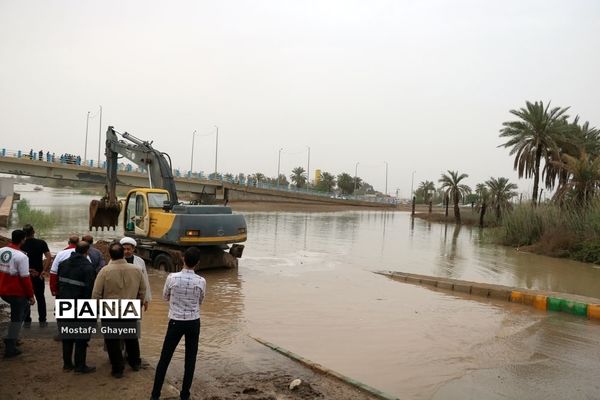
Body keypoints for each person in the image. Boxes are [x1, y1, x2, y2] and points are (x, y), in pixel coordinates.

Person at [151, 247, 206, 400]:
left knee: (165, 358)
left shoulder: (172, 278)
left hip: (176, 321)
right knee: (190, 359)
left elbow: (165, 297)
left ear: (183, 259)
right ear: (198, 263)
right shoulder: (201, 281)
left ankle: (155, 395)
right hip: (193, 322)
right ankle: (185, 395)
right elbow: (200, 301)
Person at [92, 242, 146, 378]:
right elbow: (142, 291)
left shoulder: (104, 271)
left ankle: (118, 369)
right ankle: (135, 363)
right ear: (123, 253)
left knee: (112, 340)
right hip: (130, 307)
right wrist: (138, 304)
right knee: (131, 337)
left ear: (110, 255)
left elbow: (96, 294)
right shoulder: (136, 270)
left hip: (110, 309)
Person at [56, 242, 96, 373]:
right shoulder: (88, 267)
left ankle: (67, 364)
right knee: (81, 337)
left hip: (64, 302)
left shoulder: (63, 264)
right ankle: (80, 366)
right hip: (81, 305)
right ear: (87, 252)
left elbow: (58, 284)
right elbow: (89, 291)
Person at [0, 230, 35, 358]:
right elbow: (25, 279)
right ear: (23, 240)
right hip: (16, 292)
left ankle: (10, 338)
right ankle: (10, 347)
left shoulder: (2, 250)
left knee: (23, 311)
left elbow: (7, 268)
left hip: (3, 290)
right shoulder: (22, 256)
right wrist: (31, 295)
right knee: (17, 318)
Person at [21, 224, 51, 327]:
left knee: (26, 297)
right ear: (33, 231)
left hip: (25, 274)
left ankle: (27, 321)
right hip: (38, 274)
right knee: (40, 297)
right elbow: (48, 257)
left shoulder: (21, 244)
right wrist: (44, 270)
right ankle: (42, 321)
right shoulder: (41, 243)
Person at [120, 237, 151, 310]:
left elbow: (145, 280)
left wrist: (146, 299)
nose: (126, 251)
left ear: (133, 249)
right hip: (120, 295)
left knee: (134, 320)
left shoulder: (140, 261)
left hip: (136, 295)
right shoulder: (116, 260)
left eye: (128, 249)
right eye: (124, 249)